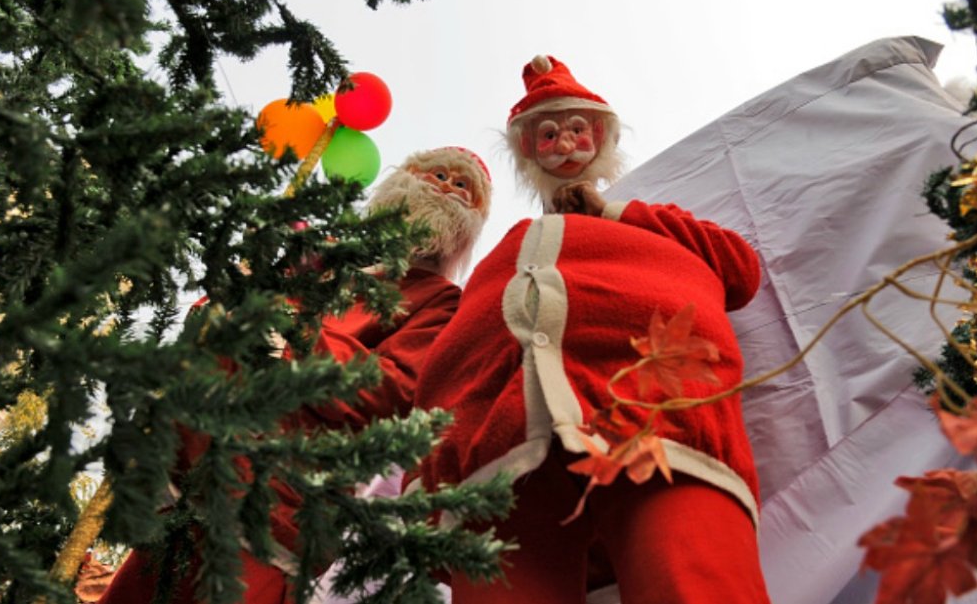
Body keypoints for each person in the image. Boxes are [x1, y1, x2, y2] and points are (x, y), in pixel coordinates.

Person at [407, 56, 770, 604]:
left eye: (578, 129)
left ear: (600, 137)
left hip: (661, 409)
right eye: (548, 133)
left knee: (693, 577)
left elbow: (739, 269)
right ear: (529, 151)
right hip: (499, 433)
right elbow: (456, 349)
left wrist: (615, 213)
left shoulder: (647, 217)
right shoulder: (514, 244)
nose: (564, 143)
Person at [97, 146, 492, 604]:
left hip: (281, 504)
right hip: (193, 463)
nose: (446, 186)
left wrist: (288, 334)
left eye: (463, 186)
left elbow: (390, 389)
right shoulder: (330, 264)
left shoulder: (442, 302)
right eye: (438, 173)